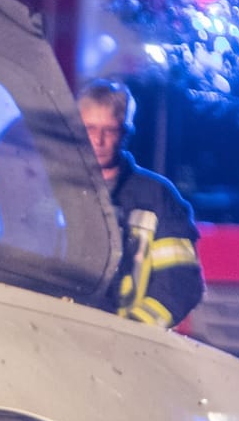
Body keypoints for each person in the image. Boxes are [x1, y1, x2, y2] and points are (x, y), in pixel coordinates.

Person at [77, 79, 204, 328]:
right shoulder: (54, 187)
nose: (99, 140)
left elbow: (179, 285)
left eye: (109, 130)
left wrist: (131, 332)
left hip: (125, 344)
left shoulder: (157, 198)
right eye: (90, 129)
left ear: (126, 133)